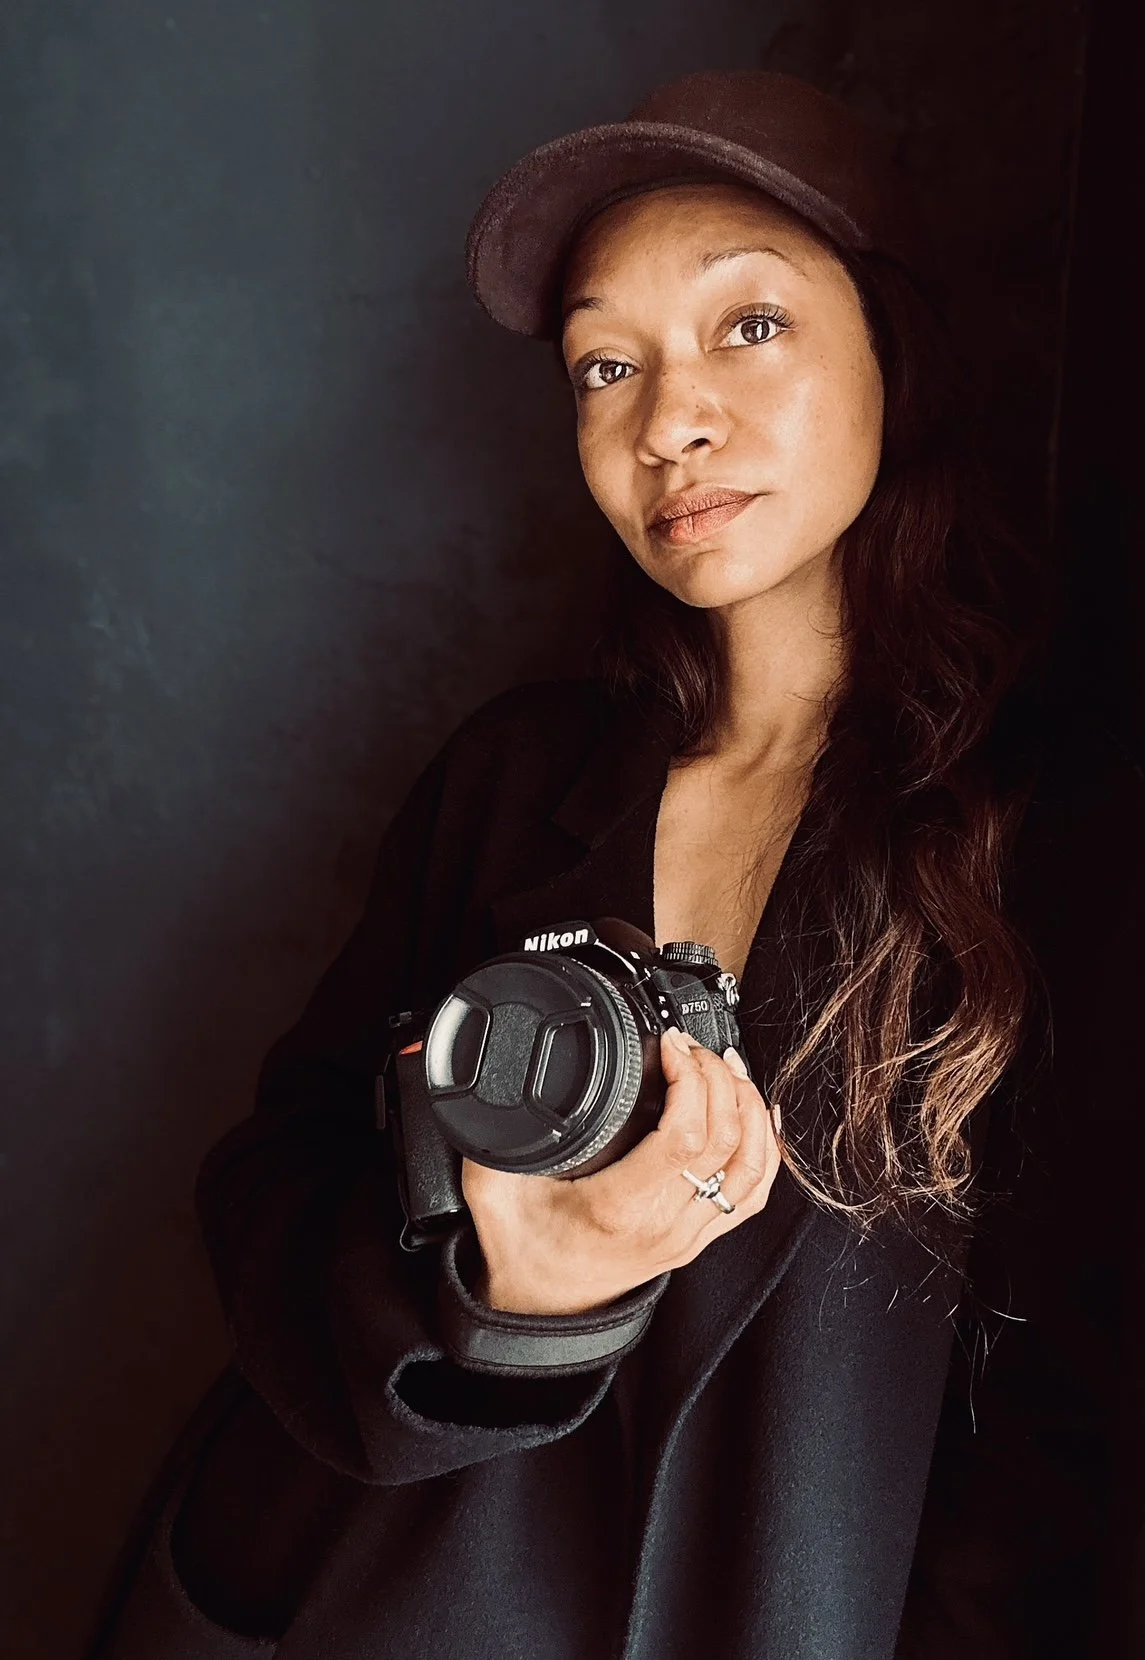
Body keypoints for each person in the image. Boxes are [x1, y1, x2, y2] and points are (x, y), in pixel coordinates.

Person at [94, 69, 1145, 1660]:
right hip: (372, 1597)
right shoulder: (519, 777)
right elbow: (272, 1179)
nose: (669, 421)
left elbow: (1067, 1429)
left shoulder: (1055, 830)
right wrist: (512, 1298)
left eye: (750, 326)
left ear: (894, 348)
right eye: (607, 363)